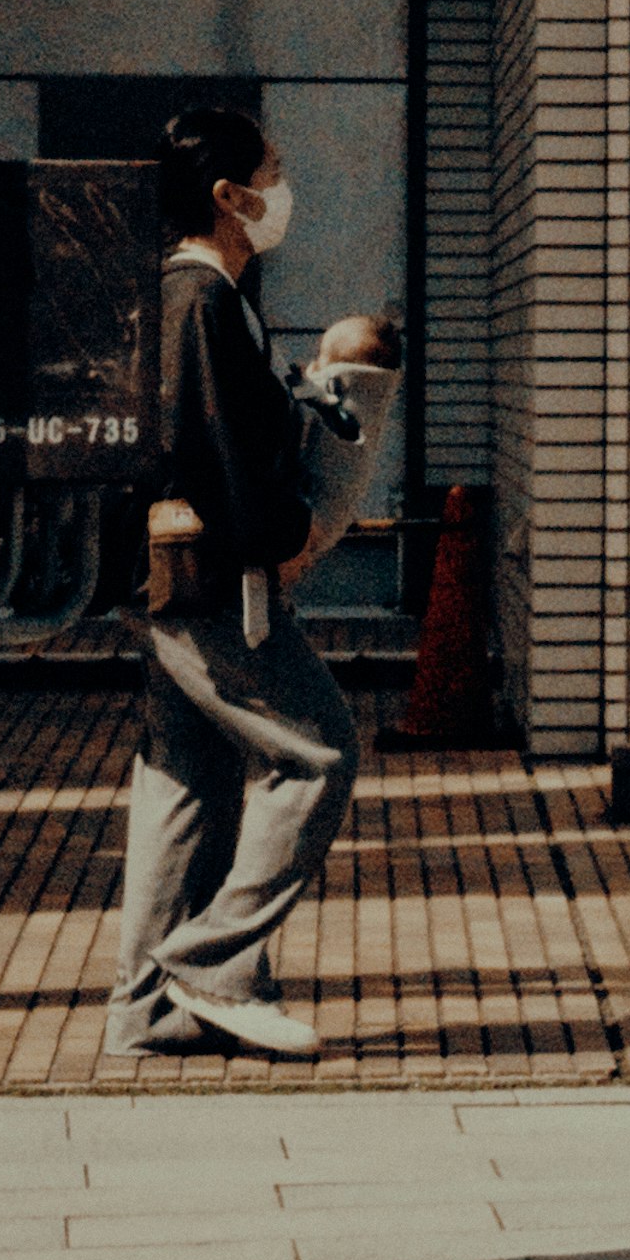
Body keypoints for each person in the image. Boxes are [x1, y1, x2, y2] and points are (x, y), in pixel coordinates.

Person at [104, 105, 400, 1067]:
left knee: (182, 782)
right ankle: (214, 964)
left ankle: (144, 1008)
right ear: (231, 195)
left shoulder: (207, 296)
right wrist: (291, 532)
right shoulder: (199, 300)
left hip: (174, 581)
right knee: (317, 752)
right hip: (215, 581)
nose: (284, 190)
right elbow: (217, 450)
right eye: (272, 172)